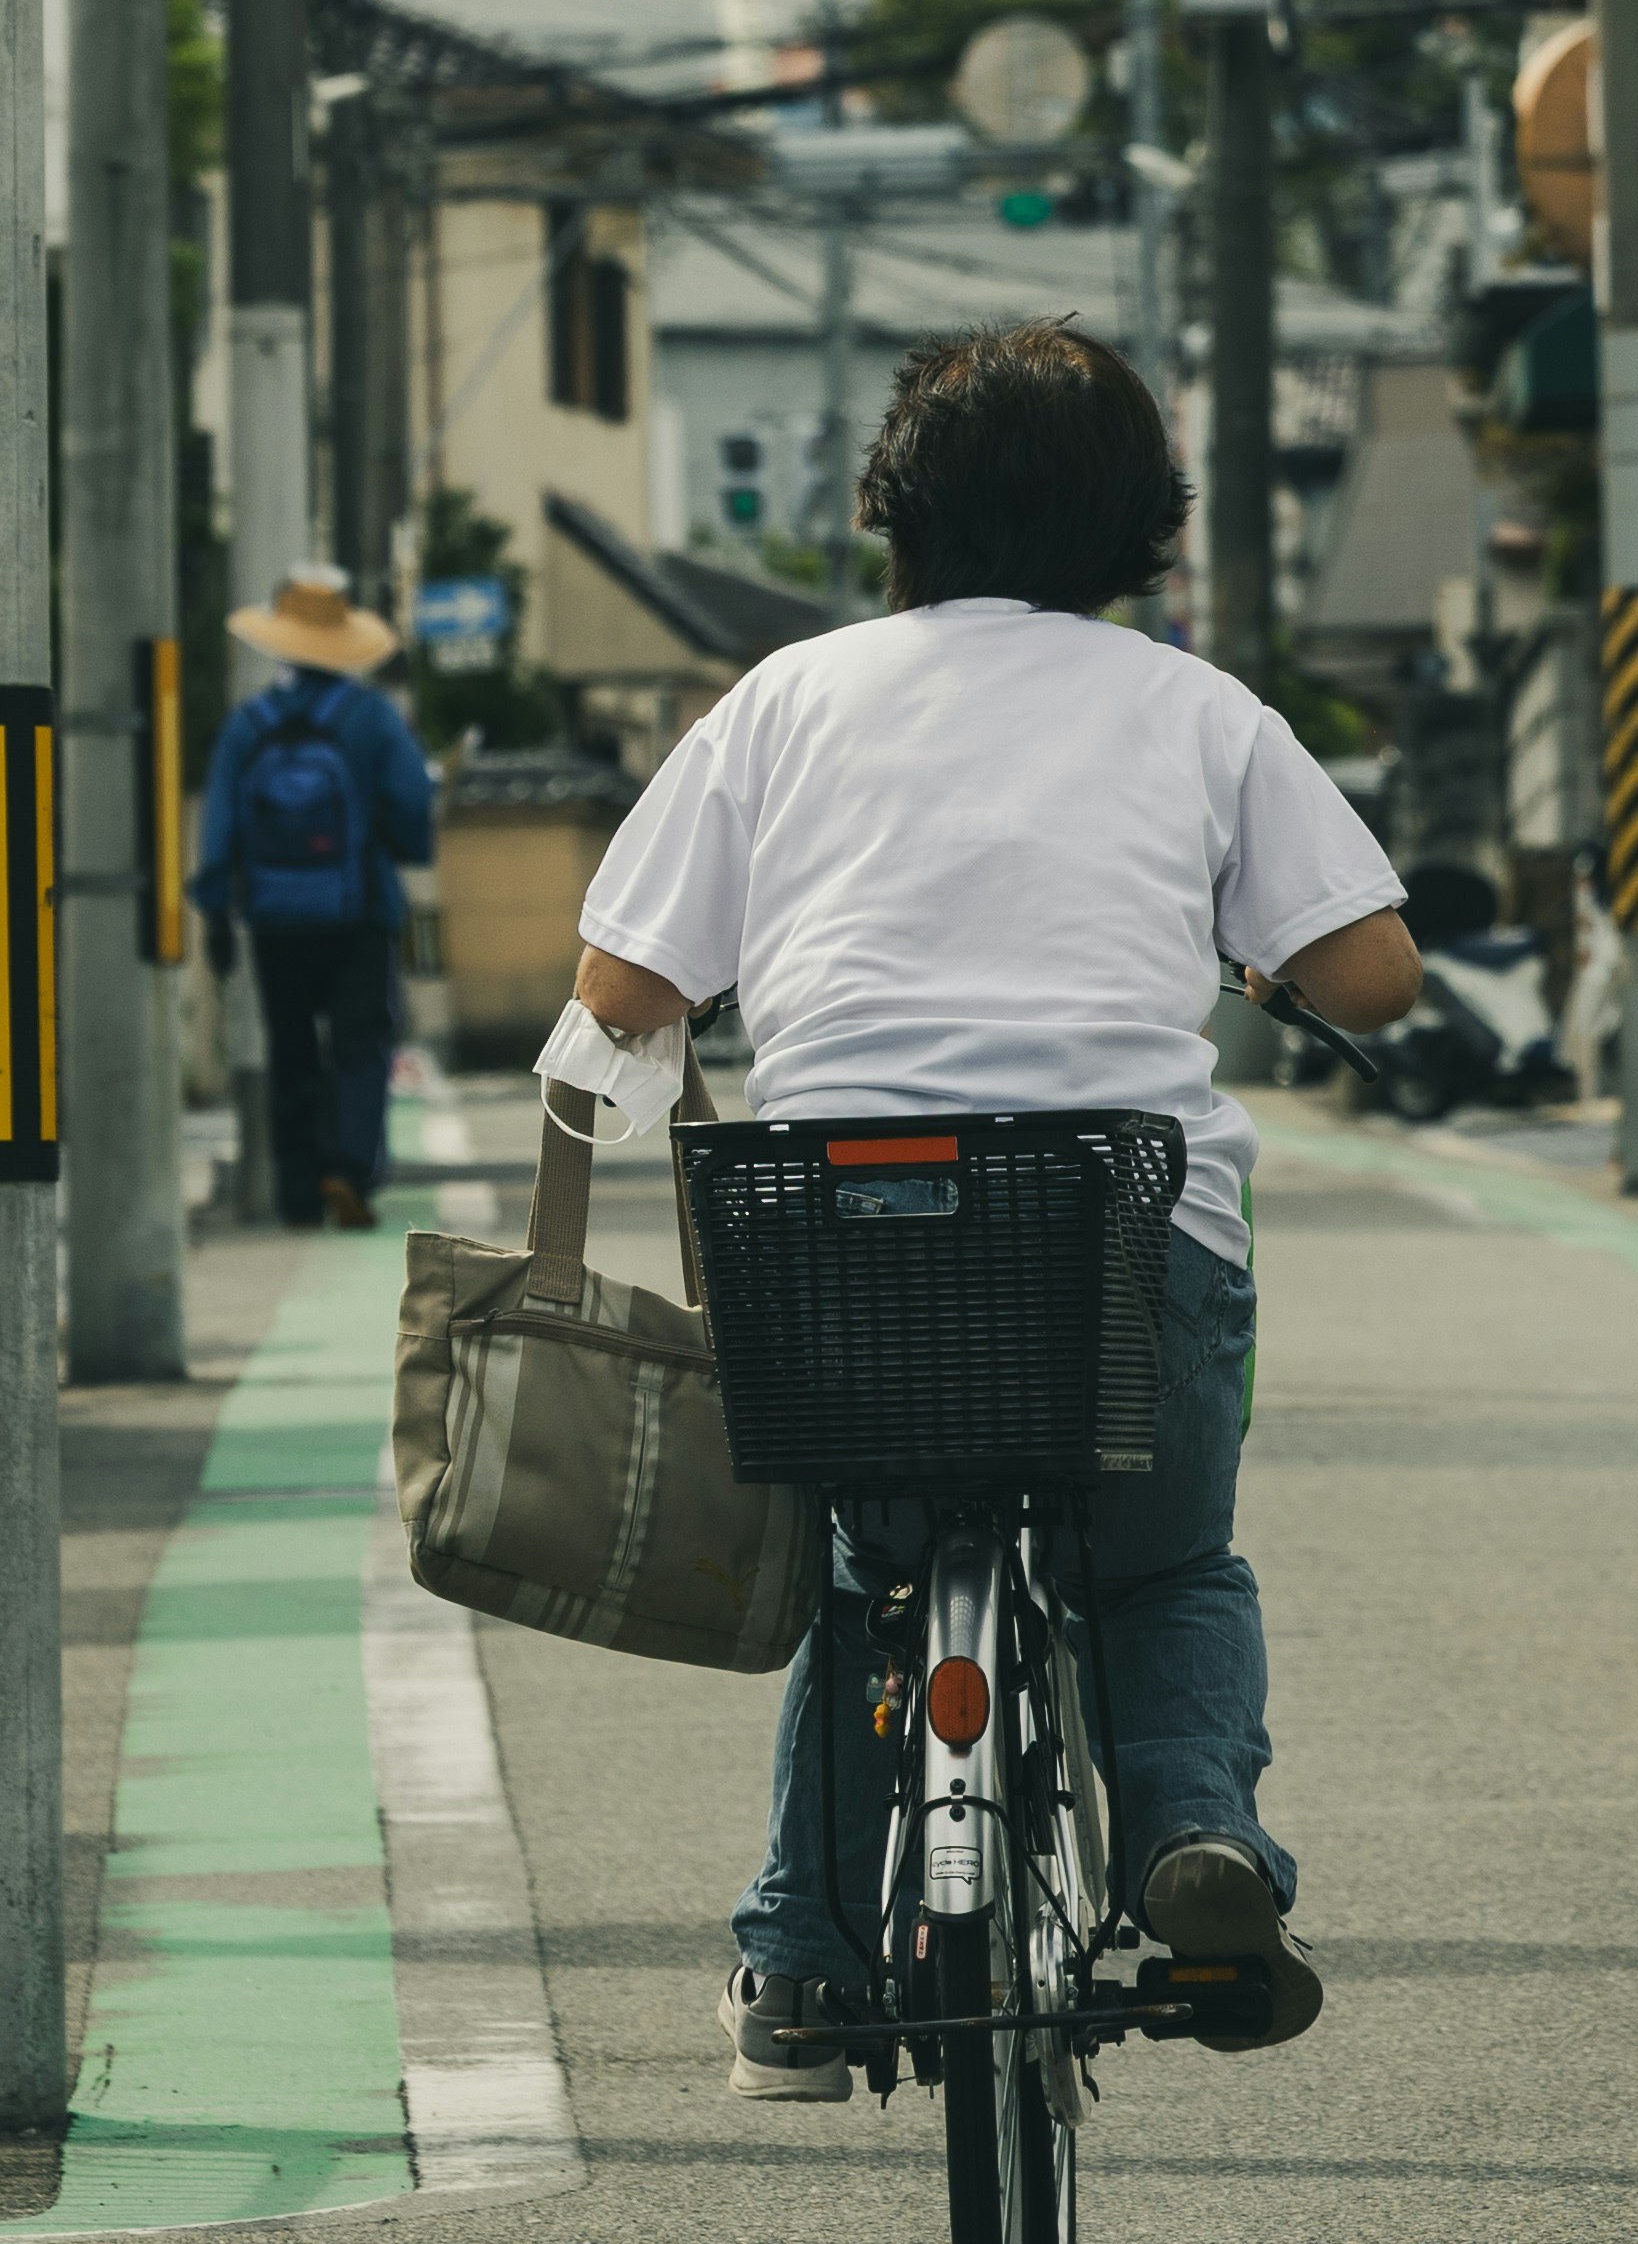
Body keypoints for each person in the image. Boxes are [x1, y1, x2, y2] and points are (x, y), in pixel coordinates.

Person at [563, 318, 1418, 2103]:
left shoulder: (783, 699)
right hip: (1112, 1231)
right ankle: (1201, 1841)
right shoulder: (1196, 709)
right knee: (1166, 1562)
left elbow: (620, 983)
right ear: (1141, 527)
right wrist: (1247, 950)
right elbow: (1377, 974)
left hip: (836, 1238)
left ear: (900, 508)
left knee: (863, 1583)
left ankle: (802, 1963)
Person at [190, 559, 436, 1231]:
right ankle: (348, 1167)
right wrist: (405, 848)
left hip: (275, 915)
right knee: (360, 1043)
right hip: (359, 912)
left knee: (291, 1048)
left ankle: (298, 1193)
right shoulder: (370, 719)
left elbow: (219, 824)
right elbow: (413, 801)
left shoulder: (251, 724)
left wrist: (216, 905)